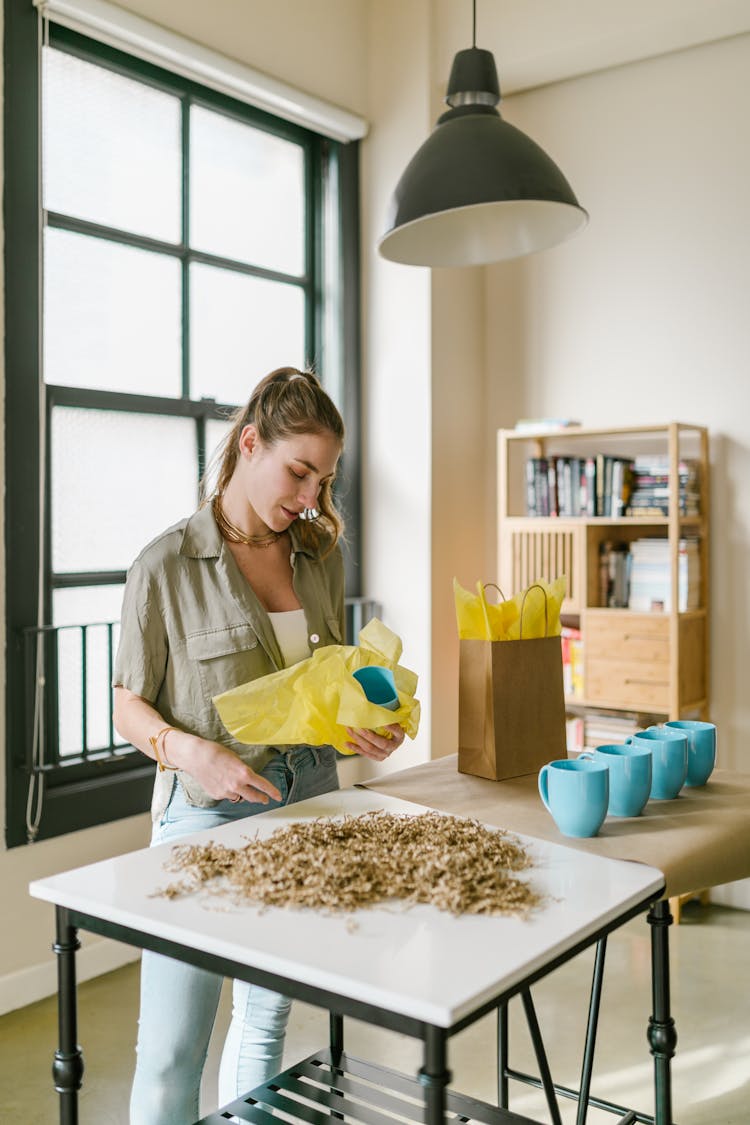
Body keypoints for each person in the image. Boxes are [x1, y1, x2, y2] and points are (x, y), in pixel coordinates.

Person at [112, 367, 405, 1125]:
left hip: (306, 802)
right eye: (299, 471)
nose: (311, 496)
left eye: (324, 478)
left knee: (266, 1021)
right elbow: (126, 702)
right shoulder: (164, 566)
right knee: (173, 1048)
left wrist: (369, 719)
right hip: (202, 818)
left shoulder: (318, 555)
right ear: (250, 443)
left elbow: (326, 681)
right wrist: (188, 751)